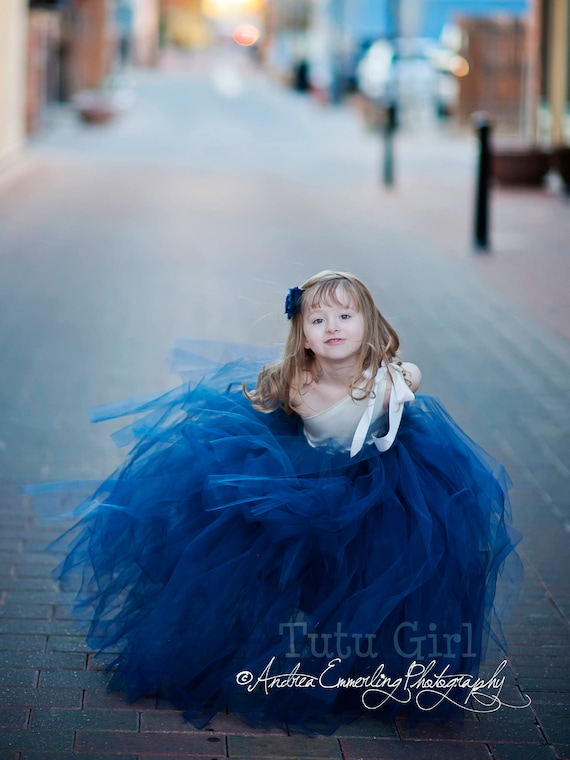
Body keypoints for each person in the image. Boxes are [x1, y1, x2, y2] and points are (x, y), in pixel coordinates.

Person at [27, 270, 521, 734]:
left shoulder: (393, 375)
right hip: (311, 486)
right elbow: (262, 414)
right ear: (303, 335)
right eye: (319, 319)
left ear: (368, 325)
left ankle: (370, 667)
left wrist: (395, 388)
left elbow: (401, 390)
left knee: (380, 574)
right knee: (289, 567)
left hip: (386, 484)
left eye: (346, 317)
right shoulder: (295, 382)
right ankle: (270, 654)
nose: (333, 328)